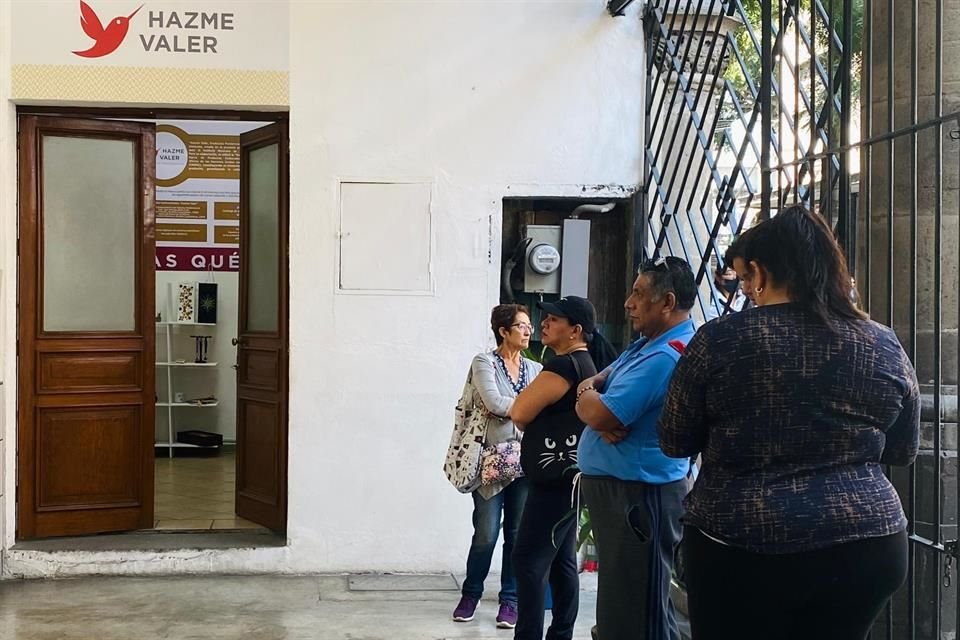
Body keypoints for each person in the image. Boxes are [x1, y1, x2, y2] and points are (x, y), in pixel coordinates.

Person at [658, 205, 920, 640]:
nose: (745, 290)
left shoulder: (721, 341)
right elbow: (902, 450)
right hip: (867, 541)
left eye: (743, 278)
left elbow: (674, 440)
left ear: (759, 272)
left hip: (741, 542)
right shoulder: (881, 341)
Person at [573, 257, 699, 640]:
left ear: (667, 302)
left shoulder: (665, 355)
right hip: (623, 492)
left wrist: (594, 404)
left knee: (638, 614)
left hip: (640, 496)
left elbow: (603, 414)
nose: (628, 302)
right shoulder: (644, 347)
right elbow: (594, 387)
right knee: (623, 607)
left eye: (639, 294)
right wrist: (588, 395)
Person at [509, 296, 618, 640]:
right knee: (561, 562)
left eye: (554, 319)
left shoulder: (563, 366)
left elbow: (519, 412)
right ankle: (561, 633)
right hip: (571, 476)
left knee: (528, 560)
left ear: (576, 330)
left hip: (552, 479)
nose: (544, 323)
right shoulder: (587, 364)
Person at [453, 304, 543, 629]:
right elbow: (492, 401)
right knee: (486, 533)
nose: (528, 330)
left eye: (529, 325)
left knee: (517, 535)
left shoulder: (535, 369)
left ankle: (510, 600)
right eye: (521, 325)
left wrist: (518, 409)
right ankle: (471, 593)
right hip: (490, 463)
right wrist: (528, 406)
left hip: (526, 462)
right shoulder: (484, 363)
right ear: (503, 331)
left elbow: (539, 404)